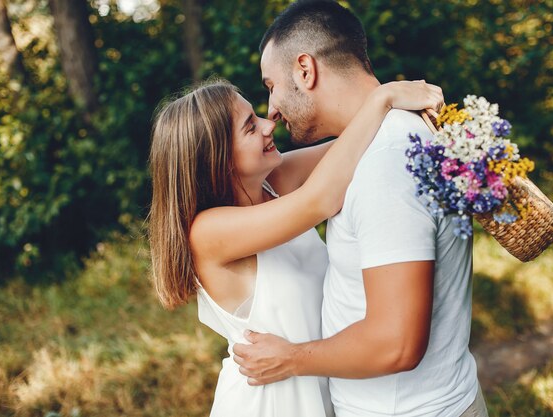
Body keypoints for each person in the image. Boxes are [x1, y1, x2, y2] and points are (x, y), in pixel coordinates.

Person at [232, 1, 489, 417]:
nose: (272, 110)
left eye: (270, 85)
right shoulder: (382, 142)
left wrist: (292, 358)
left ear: (304, 70)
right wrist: (383, 100)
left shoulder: (386, 161)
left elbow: (397, 343)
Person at [148, 78, 443, 417]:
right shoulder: (208, 232)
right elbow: (321, 199)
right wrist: (383, 97)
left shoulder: (272, 184)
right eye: (249, 127)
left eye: (255, 116)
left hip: (315, 378)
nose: (267, 125)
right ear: (219, 159)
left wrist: (405, 116)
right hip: (268, 402)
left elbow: (353, 145)